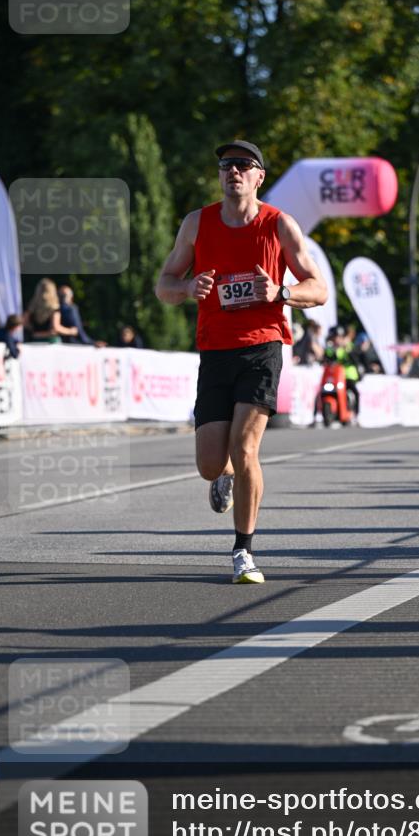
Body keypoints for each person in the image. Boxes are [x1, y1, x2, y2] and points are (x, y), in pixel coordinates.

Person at [155, 139, 327, 583]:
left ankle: (243, 551)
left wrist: (282, 292)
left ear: (258, 176)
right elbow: (165, 283)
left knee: (246, 447)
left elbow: (319, 288)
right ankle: (223, 475)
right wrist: (186, 288)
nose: (232, 171)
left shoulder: (279, 225)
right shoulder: (197, 224)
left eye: (242, 165)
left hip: (262, 347)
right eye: (226, 165)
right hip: (214, 350)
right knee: (211, 463)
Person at [22, 278, 78, 343]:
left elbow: (24, 322)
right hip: (50, 340)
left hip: (34, 339)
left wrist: (34, 331)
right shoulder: (54, 308)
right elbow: (56, 327)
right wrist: (71, 331)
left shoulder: (31, 307)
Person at [324, 325, 362, 418]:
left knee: (354, 391)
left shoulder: (349, 347)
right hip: (335, 376)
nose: (337, 340)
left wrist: (347, 349)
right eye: (336, 337)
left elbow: (355, 358)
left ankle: (356, 414)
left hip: (348, 375)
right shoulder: (331, 348)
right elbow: (327, 358)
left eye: (339, 337)